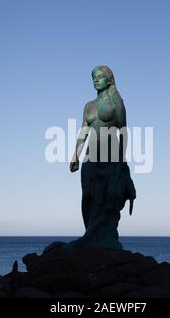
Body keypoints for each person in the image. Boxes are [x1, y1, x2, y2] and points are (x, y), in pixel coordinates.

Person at [67, 66, 136, 250]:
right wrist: (75, 153)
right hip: (90, 157)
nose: (96, 80)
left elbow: (124, 132)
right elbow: (84, 130)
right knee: (88, 197)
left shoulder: (116, 103)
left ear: (109, 80)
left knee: (107, 198)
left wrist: (122, 160)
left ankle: (105, 237)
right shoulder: (88, 105)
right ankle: (91, 234)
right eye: (93, 78)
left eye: (99, 77)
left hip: (110, 156)